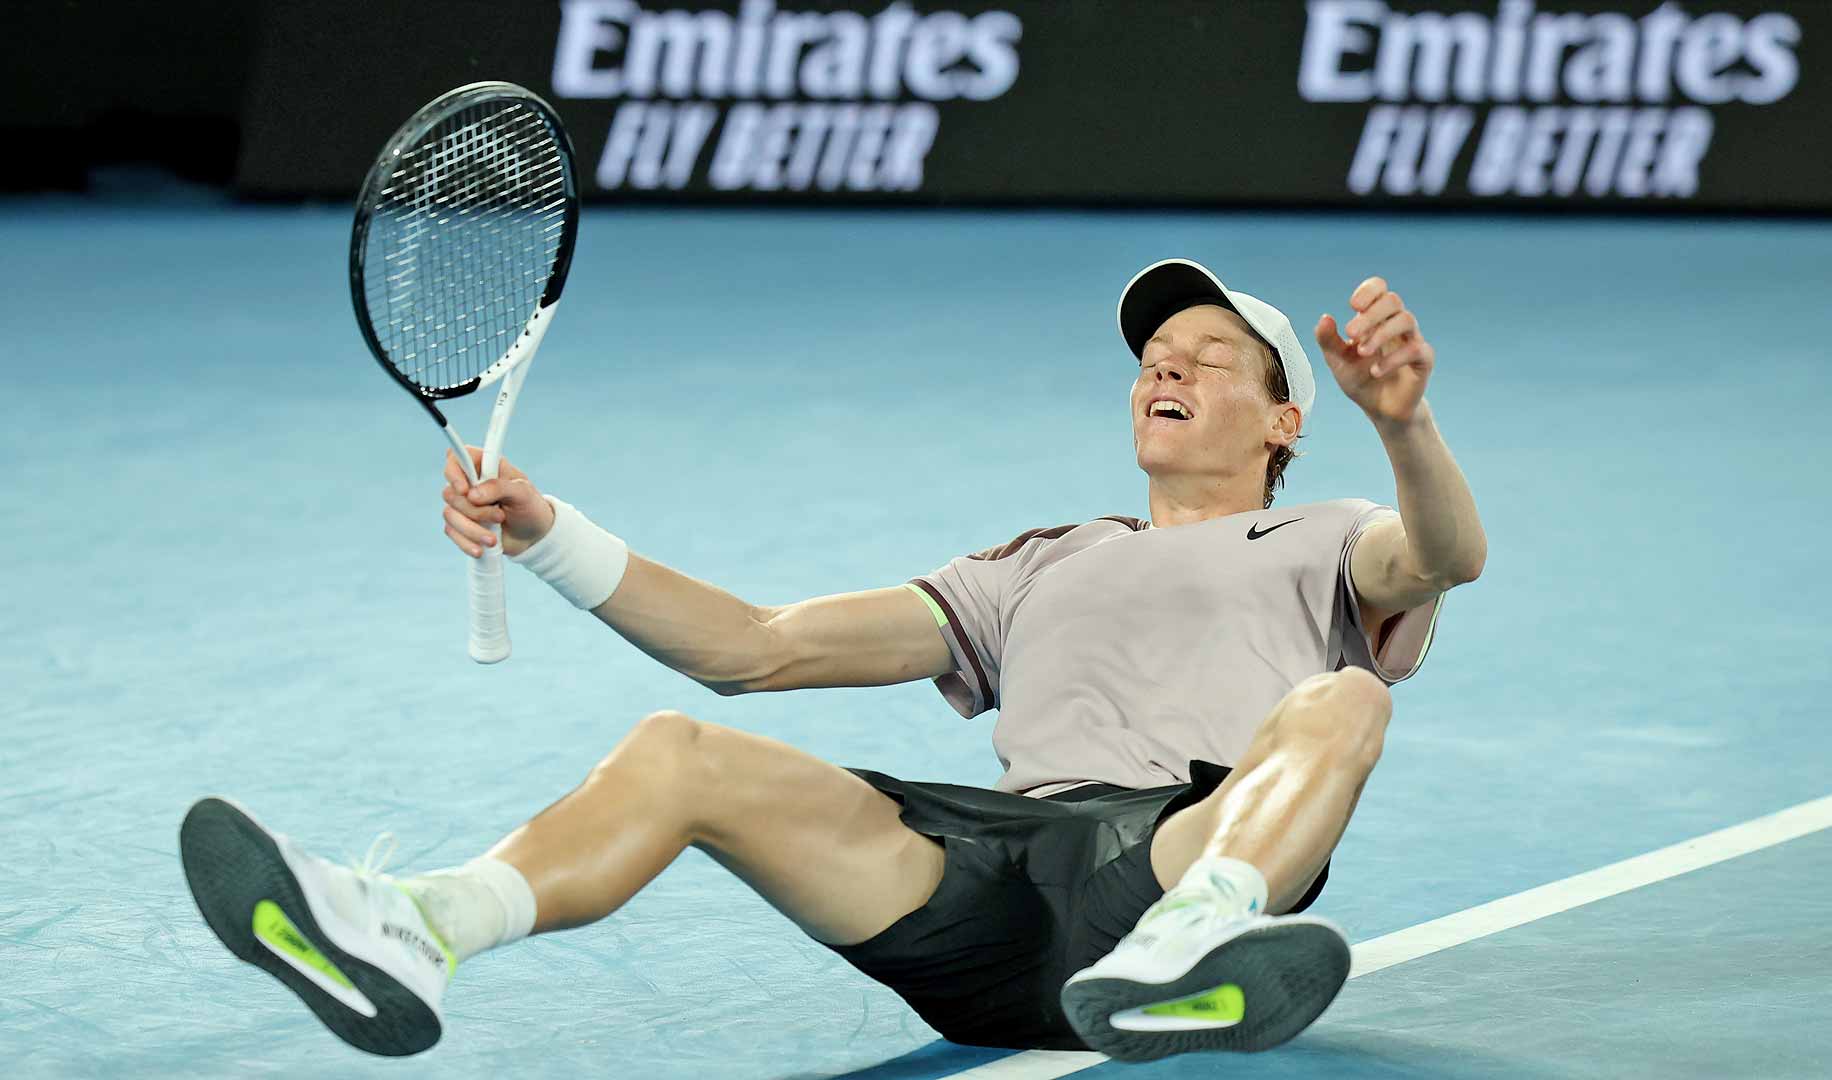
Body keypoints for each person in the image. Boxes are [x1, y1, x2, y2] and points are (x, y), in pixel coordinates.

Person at [180, 258, 1485, 1063]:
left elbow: (1442, 556)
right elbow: (756, 649)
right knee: (680, 753)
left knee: (1344, 697)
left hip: (1174, 859)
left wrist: (1408, 425)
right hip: (995, 883)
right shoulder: (1037, 562)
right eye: (1152, 358)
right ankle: (421, 929)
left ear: (1286, 416)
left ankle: (1192, 951)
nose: (1166, 367)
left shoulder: (1325, 534)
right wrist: (544, 533)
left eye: (1208, 358)